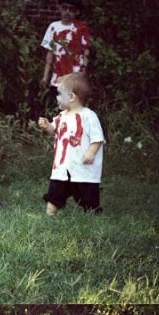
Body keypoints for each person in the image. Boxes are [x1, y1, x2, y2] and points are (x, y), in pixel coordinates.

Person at [38, 72, 105, 216]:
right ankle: (50, 215)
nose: (56, 97)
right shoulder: (62, 116)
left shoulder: (88, 116)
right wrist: (47, 126)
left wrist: (91, 152)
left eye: (59, 94)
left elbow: (97, 138)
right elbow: (53, 130)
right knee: (55, 193)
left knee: (88, 198)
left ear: (72, 97)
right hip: (62, 169)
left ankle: (92, 214)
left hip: (83, 170)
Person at [40, 2, 92, 106]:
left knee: (74, 107)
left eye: (71, 9)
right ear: (60, 8)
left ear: (77, 12)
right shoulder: (53, 27)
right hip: (57, 76)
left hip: (75, 76)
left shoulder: (81, 28)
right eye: (65, 8)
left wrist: (84, 72)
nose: (67, 12)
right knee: (54, 107)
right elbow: (50, 52)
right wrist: (45, 76)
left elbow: (86, 51)